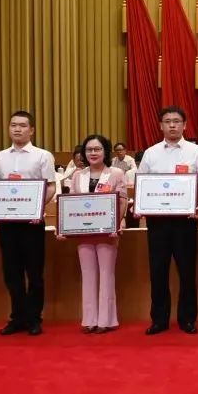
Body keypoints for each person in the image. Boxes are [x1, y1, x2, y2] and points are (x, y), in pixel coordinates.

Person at [136, 106, 198, 335]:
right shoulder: (151, 153)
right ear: (161, 125)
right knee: (158, 271)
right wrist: (141, 205)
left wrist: (195, 202)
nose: (172, 125)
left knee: (187, 271)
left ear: (184, 125)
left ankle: (187, 319)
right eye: (168, 121)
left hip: (185, 221)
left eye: (177, 121)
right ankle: (159, 320)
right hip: (158, 222)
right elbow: (142, 184)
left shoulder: (196, 152)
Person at [0, 111, 57, 336]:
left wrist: (37, 208)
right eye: (13, 125)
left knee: (34, 273)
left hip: (32, 222)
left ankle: (34, 318)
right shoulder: (0, 157)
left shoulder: (42, 156)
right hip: (7, 223)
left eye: (22, 125)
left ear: (32, 130)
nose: (17, 129)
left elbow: (51, 187)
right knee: (11, 272)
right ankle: (17, 317)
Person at [57, 134, 127, 334]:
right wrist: (64, 228)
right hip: (84, 233)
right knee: (87, 275)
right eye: (89, 150)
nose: (93, 153)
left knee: (106, 274)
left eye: (97, 149)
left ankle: (106, 320)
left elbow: (122, 200)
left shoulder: (115, 173)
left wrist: (117, 223)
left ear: (105, 151)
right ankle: (89, 320)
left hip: (107, 233)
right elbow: (70, 204)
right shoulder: (78, 175)